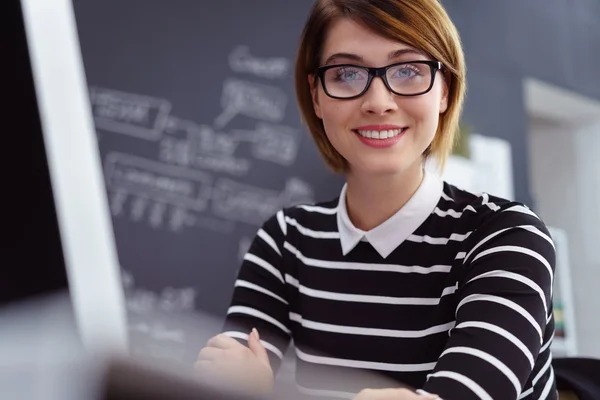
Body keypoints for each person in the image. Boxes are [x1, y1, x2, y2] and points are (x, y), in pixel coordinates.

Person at [195, 0, 557, 399]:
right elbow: (229, 379)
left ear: (444, 90)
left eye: (408, 71)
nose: (378, 102)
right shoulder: (285, 241)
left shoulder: (507, 238)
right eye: (347, 74)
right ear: (316, 96)